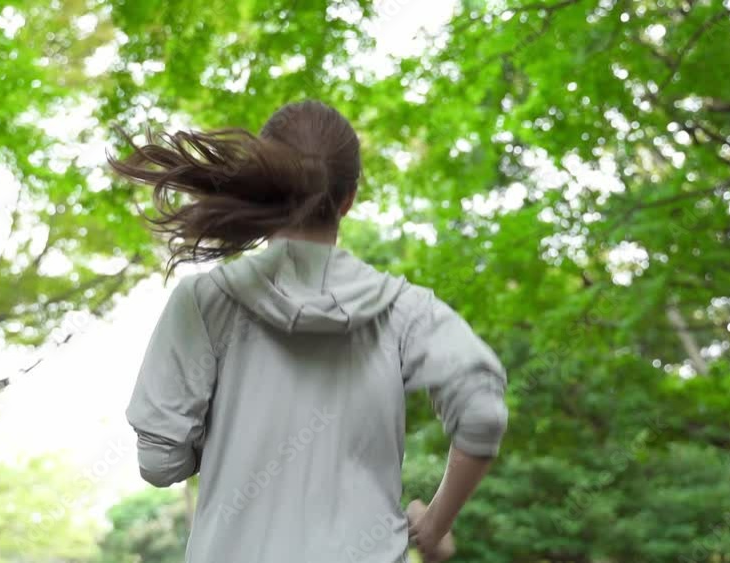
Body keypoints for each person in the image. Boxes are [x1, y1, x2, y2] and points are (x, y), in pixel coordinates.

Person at [110, 100, 509, 563]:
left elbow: (159, 464)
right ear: (347, 200)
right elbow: (483, 414)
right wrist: (434, 525)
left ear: (264, 189)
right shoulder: (406, 310)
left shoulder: (204, 301)